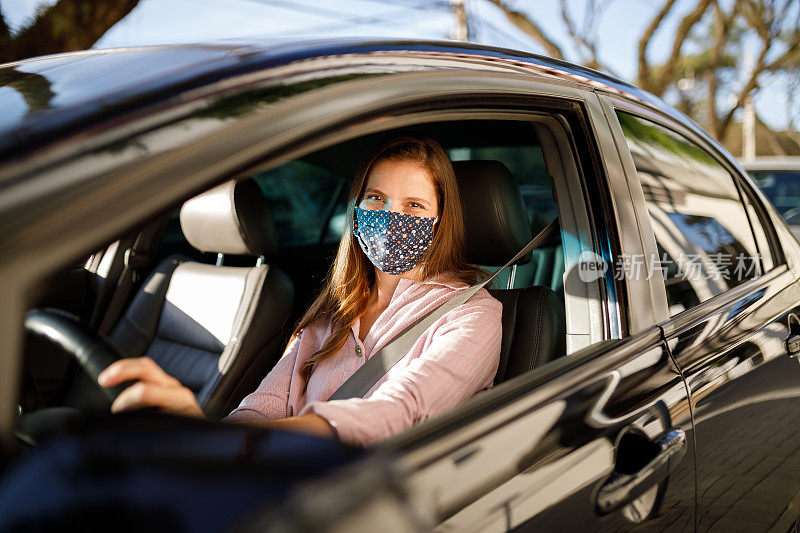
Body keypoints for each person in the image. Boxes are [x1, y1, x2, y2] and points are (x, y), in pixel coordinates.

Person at [98, 135, 503, 447]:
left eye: (414, 205)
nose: (391, 216)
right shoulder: (332, 313)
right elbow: (265, 407)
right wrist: (215, 444)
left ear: (439, 221)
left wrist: (243, 446)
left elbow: (401, 410)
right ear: (357, 212)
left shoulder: (473, 316)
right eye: (376, 199)